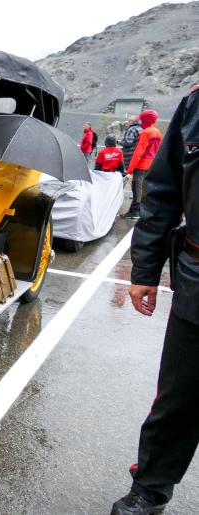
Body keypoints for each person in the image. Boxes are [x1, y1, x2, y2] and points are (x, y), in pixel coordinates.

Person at [110, 85, 199, 515]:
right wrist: (145, 270)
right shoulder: (196, 104)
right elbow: (164, 192)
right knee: (179, 398)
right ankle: (151, 488)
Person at [121, 110, 163, 220]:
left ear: (145, 120)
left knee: (137, 187)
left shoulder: (146, 132)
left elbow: (138, 152)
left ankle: (135, 211)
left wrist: (129, 170)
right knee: (144, 188)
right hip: (151, 164)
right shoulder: (157, 132)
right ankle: (142, 210)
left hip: (141, 165)